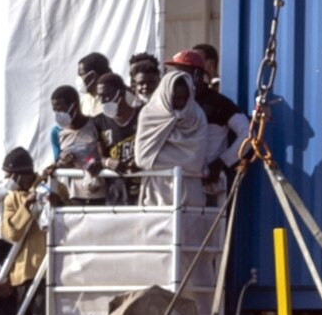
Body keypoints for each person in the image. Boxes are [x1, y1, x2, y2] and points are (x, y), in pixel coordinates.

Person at [164, 50, 249, 207]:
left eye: (182, 72)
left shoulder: (219, 104)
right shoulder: (170, 103)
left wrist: (222, 163)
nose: (177, 78)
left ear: (197, 74)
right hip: (176, 184)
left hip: (206, 185)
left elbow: (248, 135)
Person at [0, 147, 61, 315]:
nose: (8, 180)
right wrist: (25, 206)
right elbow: (10, 233)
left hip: (44, 273)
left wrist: (54, 199)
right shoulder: (11, 200)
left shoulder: (52, 185)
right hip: (20, 276)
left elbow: (68, 210)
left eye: (9, 175)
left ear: (19, 174)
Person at [135, 71, 207, 208]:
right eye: (175, 98)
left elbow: (195, 162)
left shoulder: (196, 116)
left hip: (190, 190)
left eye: (184, 98)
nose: (180, 103)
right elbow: (142, 158)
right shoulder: (149, 114)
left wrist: (156, 158)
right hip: (157, 191)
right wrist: (182, 159)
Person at [47, 85, 106, 205]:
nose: (58, 114)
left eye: (61, 109)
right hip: (76, 195)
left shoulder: (96, 124)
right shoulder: (56, 132)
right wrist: (62, 161)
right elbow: (58, 161)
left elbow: (107, 154)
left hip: (103, 193)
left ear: (74, 105)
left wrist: (99, 163)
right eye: (55, 110)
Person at [92, 73, 142, 205]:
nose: (102, 101)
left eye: (106, 96)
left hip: (143, 193)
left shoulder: (142, 115)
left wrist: (140, 161)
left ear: (120, 93)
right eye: (100, 97)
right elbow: (90, 158)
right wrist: (107, 162)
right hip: (115, 196)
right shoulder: (98, 122)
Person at [75, 52, 113, 117]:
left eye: (81, 75)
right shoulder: (84, 101)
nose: (79, 79)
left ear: (93, 75)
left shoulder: (114, 98)